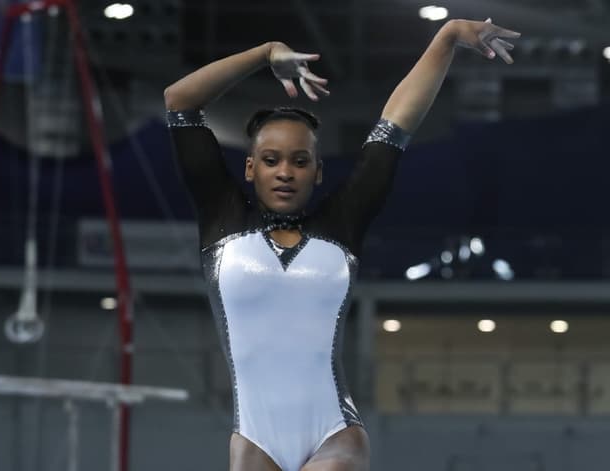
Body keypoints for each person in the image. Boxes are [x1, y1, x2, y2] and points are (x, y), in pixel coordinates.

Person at [164, 17, 519, 471]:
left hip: (335, 434)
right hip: (254, 438)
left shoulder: (343, 223)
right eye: (271, 161)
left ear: (318, 171)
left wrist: (446, 37)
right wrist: (264, 52)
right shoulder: (221, 219)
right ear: (251, 167)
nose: (286, 172)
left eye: (300, 161)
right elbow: (179, 101)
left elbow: (398, 122)